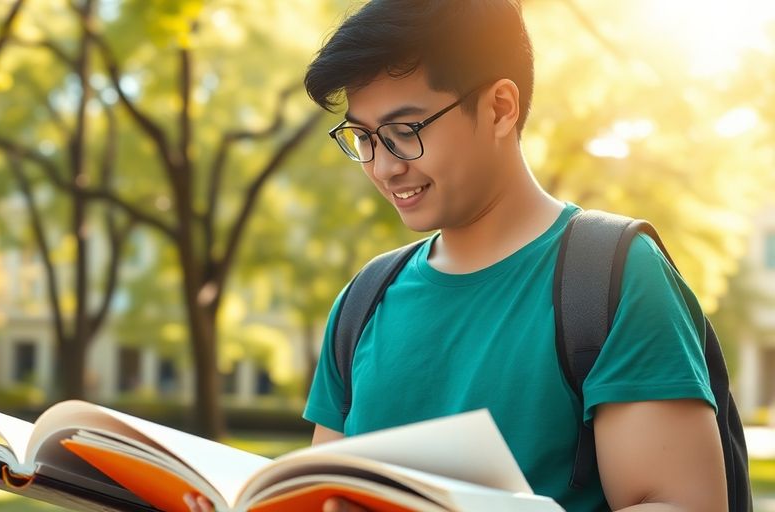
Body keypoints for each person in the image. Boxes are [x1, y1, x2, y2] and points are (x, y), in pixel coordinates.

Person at [187, 1, 727, 511]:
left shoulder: (614, 278)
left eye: (403, 131)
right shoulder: (364, 301)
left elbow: (680, 502)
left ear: (499, 108)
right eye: (363, 137)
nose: (382, 166)